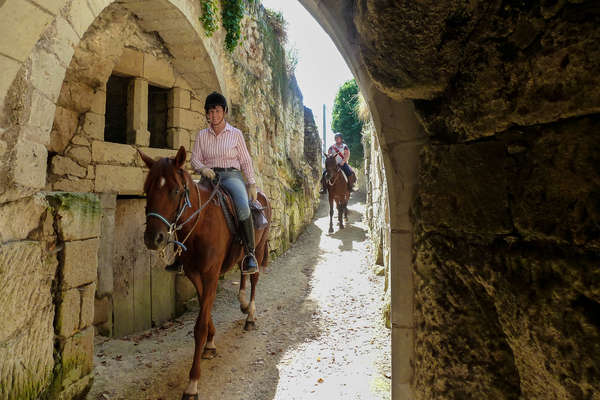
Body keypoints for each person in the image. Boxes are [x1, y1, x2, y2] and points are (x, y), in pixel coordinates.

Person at [166, 92, 259, 275]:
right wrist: (203, 169)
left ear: (224, 111)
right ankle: (180, 255)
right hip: (208, 178)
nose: (213, 115)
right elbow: (195, 160)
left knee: (242, 206)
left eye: (217, 111)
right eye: (210, 111)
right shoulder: (202, 135)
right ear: (207, 114)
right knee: (185, 203)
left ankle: (249, 254)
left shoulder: (236, 134)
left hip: (231, 177)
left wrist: (251, 183)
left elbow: (246, 161)